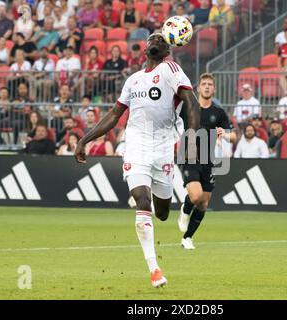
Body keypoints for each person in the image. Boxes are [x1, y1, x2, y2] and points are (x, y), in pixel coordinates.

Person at [75, 33, 201, 288]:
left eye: (162, 40)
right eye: (152, 38)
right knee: (142, 200)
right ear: (145, 48)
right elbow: (114, 114)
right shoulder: (133, 80)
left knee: (163, 213)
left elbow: (192, 103)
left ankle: (151, 211)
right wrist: (84, 139)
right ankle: (154, 268)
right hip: (136, 146)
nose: (156, 40)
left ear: (167, 50)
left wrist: (193, 138)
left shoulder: (171, 69)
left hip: (164, 146)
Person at [177, 73, 236, 250]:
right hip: (189, 155)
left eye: (210, 84)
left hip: (208, 160)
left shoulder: (218, 112)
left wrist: (224, 134)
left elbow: (233, 136)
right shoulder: (188, 108)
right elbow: (170, 121)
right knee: (195, 196)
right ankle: (185, 210)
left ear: (214, 89)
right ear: (198, 88)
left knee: (203, 202)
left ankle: (187, 238)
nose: (207, 86)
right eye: (204, 84)